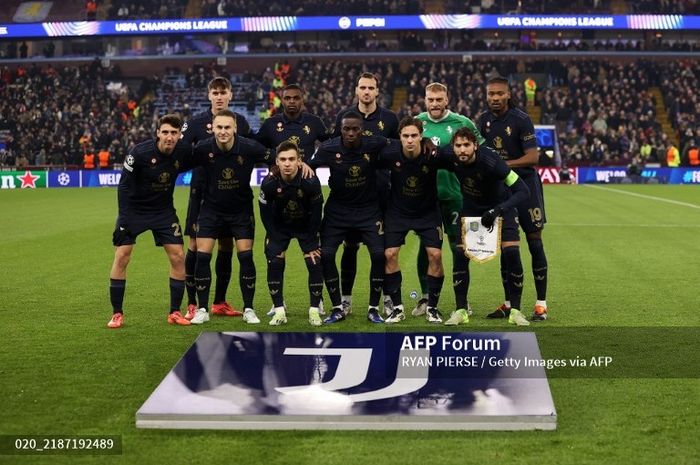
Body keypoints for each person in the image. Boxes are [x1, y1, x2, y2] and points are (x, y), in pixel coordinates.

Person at [107, 114, 193, 329]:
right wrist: (123, 220)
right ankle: (117, 313)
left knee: (178, 256)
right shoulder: (139, 152)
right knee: (122, 256)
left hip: (163, 212)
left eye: (174, 133)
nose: (169, 137)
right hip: (135, 211)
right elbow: (124, 187)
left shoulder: (183, 152)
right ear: (157, 133)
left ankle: (174, 311)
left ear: (179, 135)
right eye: (165, 132)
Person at [440, 127, 531, 326]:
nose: (462, 150)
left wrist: (498, 210)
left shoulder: (492, 162)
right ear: (453, 147)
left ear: (475, 146)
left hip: (501, 209)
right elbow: (429, 154)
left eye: (466, 145)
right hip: (471, 212)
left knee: (512, 253)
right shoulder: (449, 155)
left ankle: (515, 311)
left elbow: (523, 191)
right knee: (459, 255)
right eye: (458, 146)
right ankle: (461, 311)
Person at [189, 110, 271, 325]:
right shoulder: (202, 148)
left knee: (245, 257)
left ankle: (249, 309)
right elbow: (178, 162)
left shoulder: (249, 147)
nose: (223, 131)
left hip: (241, 211)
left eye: (227, 127)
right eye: (219, 127)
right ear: (212, 128)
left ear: (234, 128)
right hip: (211, 210)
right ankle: (203, 309)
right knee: (203, 257)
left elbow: (276, 159)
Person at [181, 77, 253, 320]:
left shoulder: (240, 122)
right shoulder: (195, 123)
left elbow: (251, 148)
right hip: (201, 194)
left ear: (230, 95)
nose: (219, 96)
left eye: (223, 92)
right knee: (195, 245)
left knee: (226, 246)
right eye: (215, 92)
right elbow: (181, 151)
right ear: (209, 95)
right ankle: (192, 303)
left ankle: (220, 301)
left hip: (230, 195)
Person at [478, 76, 550, 321]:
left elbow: (533, 158)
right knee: (506, 245)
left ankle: (541, 303)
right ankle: (509, 303)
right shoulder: (483, 121)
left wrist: (502, 165)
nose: (495, 98)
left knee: (534, 241)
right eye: (491, 94)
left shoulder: (521, 119)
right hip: (501, 189)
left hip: (525, 186)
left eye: (499, 94)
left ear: (508, 95)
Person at [308, 111, 389, 324]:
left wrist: (426, 141)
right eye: (347, 129)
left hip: (368, 210)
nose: (351, 133)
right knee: (326, 255)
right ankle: (337, 307)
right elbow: (308, 167)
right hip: (337, 211)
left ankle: (373, 308)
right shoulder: (328, 148)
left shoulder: (374, 143)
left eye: (355, 129)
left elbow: (399, 146)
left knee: (379, 255)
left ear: (362, 130)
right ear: (340, 129)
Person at [413, 82, 484, 318]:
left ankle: (461, 301)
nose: (435, 104)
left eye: (439, 99)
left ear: (447, 99)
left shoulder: (462, 123)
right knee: (427, 247)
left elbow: (481, 153)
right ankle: (425, 298)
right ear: (425, 100)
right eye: (430, 100)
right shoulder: (417, 123)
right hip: (426, 198)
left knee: (458, 248)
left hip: (456, 197)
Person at [332, 73, 399, 315]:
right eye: (362, 87)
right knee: (350, 248)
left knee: (380, 249)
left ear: (377, 91)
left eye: (371, 87)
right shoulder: (344, 117)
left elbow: (397, 150)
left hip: (381, 193)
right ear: (356, 90)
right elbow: (333, 148)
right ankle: (346, 299)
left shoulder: (390, 119)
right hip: (351, 195)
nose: (367, 92)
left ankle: (387, 299)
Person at [379, 117, 452, 324]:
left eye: (414, 136)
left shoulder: (434, 154)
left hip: (428, 212)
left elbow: (460, 161)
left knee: (435, 255)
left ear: (421, 136)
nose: (410, 140)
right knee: (390, 254)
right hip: (397, 212)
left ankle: (433, 308)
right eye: (405, 136)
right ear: (399, 138)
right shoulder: (390, 154)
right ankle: (397, 308)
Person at [258, 141, 324, 326]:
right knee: (274, 262)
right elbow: (263, 210)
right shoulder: (269, 182)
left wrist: (311, 238)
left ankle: (314, 310)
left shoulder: (311, 181)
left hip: (306, 227)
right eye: (283, 159)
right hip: (279, 227)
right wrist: (273, 234)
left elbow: (318, 211)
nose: (287, 163)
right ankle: (279, 310)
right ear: (276, 162)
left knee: (314, 262)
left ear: (299, 161)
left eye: (291, 159)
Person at [256, 84, 331, 160]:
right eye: (287, 98)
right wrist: (272, 163)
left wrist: (316, 162)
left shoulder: (315, 122)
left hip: (307, 171)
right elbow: (257, 148)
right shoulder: (269, 123)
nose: (292, 101)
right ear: (282, 101)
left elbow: (331, 144)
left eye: (296, 98)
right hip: (278, 171)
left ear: (302, 100)